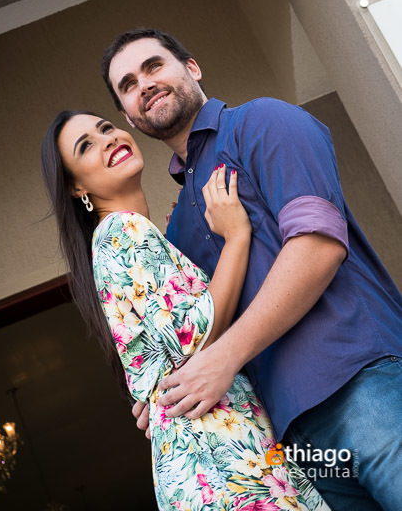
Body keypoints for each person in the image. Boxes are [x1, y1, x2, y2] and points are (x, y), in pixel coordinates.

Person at [101, 27, 402, 510]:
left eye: (154, 66)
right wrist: (163, 395)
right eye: (129, 85)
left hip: (359, 381)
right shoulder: (176, 227)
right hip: (292, 445)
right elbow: (199, 335)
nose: (145, 84)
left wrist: (223, 359)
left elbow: (318, 246)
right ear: (130, 116)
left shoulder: (262, 121)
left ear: (192, 68)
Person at [42, 110, 329, 509]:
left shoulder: (128, 238)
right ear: (76, 188)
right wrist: (236, 236)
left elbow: (161, 361)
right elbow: (191, 336)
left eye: (106, 127)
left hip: (207, 459)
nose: (107, 138)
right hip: (221, 459)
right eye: (87, 145)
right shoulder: (123, 230)